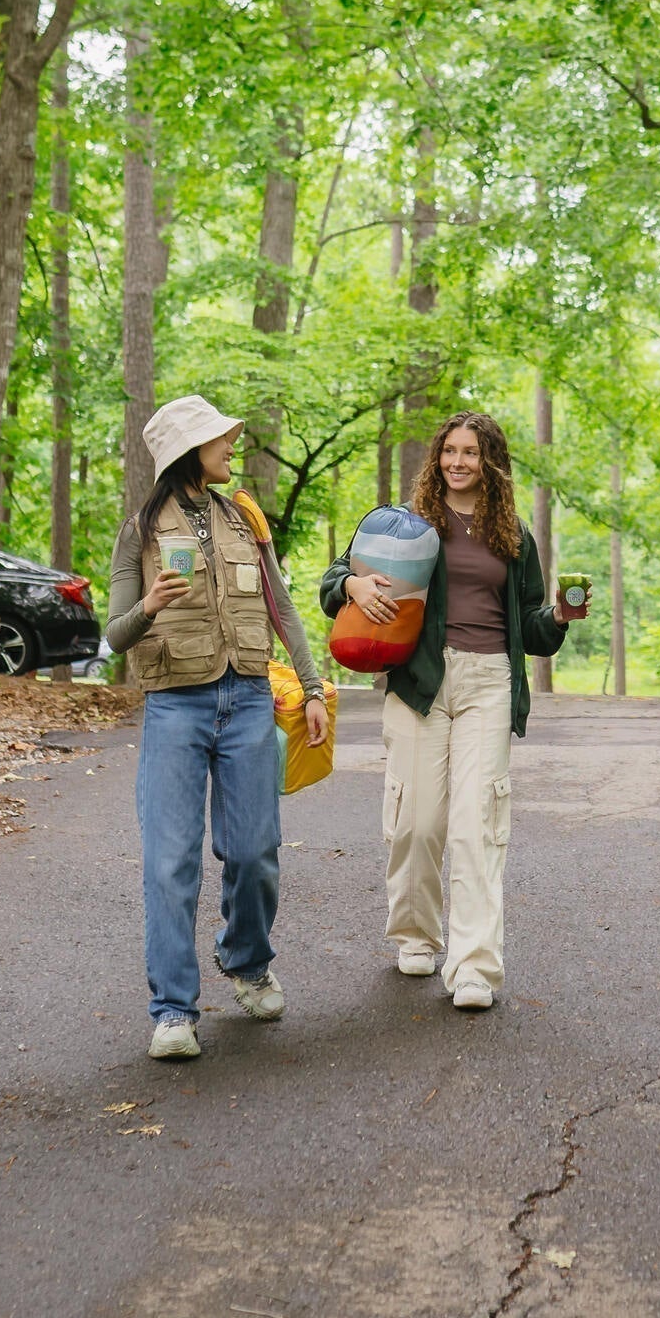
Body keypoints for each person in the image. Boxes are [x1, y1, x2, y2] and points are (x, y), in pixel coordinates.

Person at [322, 412, 583, 1011]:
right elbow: (337, 577)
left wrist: (562, 620)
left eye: (470, 452)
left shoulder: (513, 535)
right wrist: (352, 588)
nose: (457, 462)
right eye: (448, 451)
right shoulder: (410, 526)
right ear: (437, 458)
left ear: (490, 461)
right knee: (417, 820)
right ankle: (416, 934)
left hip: (489, 682)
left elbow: (533, 629)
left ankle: (473, 967)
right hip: (421, 680)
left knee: (476, 825)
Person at [104, 395, 330, 1061]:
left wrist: (312, 688)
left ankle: (247, 961)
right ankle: (174, 1009)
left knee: (255, 849)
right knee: (171, 862)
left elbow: (281, 607)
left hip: (251, 702)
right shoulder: (139, 530)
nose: (233, 446)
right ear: (186, 452)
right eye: (220, 440)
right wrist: (149, 605)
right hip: (177, 705)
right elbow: (116, 634)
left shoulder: (245, 518)